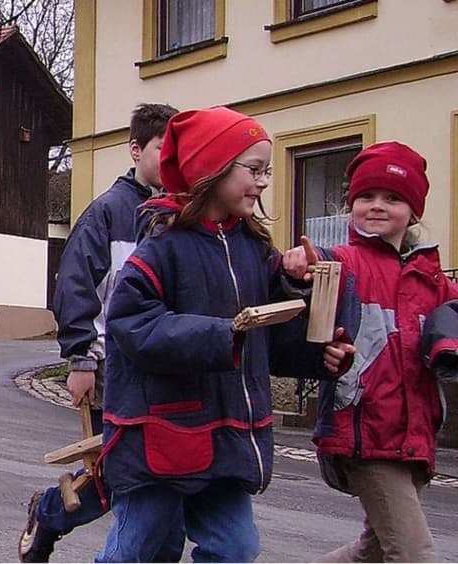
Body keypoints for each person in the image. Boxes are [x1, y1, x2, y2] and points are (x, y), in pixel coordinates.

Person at [96, 107, 355, 562]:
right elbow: (132, 325)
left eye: (267, 171)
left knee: (235, 548)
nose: (262, 182)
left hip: (229, 437)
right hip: (162, 434)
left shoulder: (256, 249)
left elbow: (271, 339)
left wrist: (319, 352)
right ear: (210, 170)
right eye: (253, 170)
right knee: (141, 549)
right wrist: (223, 335)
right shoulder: (160, 247)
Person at [283, 141, 458, 562]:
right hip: (366, 432)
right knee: (415, 554)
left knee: (371, 551)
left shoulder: (432, 279)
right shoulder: (344, 261)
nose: (377, 206)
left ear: (413, 212)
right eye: (366, 197)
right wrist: (297, 268)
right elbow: (310, 269)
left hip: (414, 434)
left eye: (392, 198)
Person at [18, 102, 178, 562]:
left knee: (154, 477)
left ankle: (51, 512)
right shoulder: (108, 212)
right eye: (161, 148)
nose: (170, 159)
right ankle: (50, 510)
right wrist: (82, 359)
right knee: (123, 473)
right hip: (115, 367)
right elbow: (75, 288)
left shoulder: (183, 212)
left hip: (167, 370)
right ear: (135, 149)